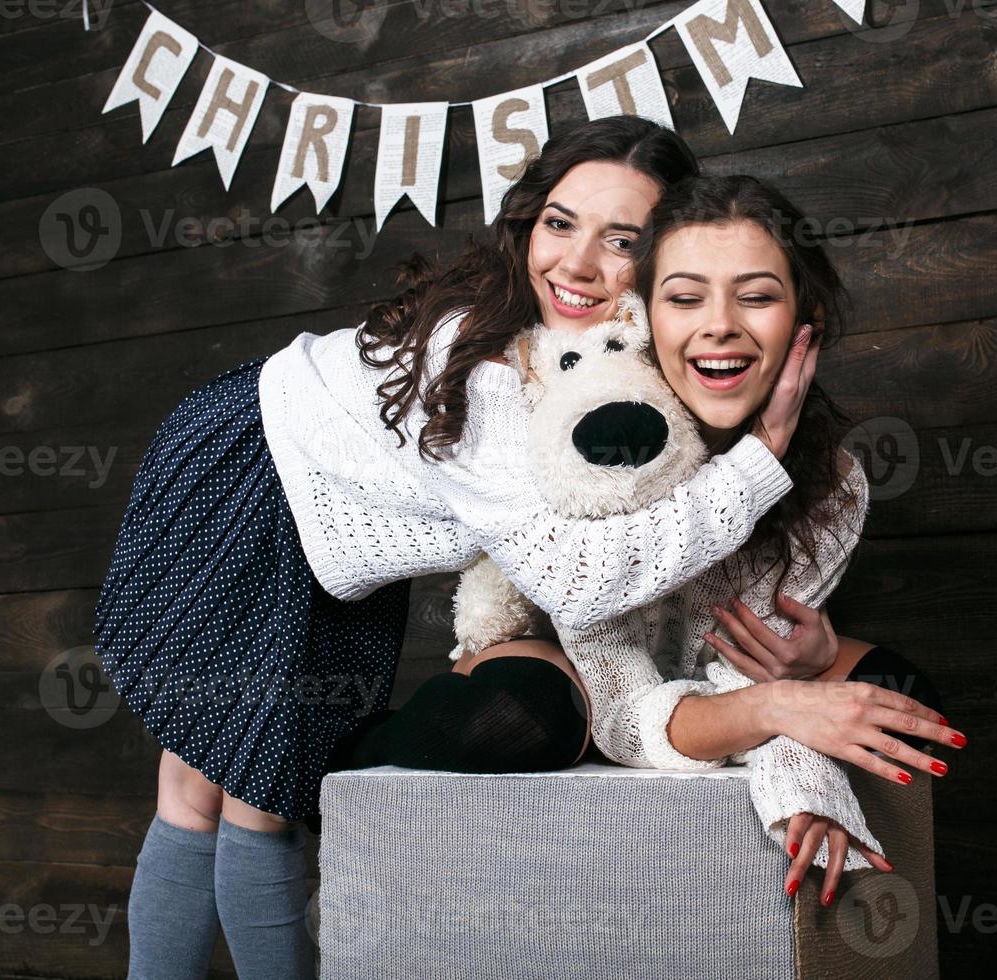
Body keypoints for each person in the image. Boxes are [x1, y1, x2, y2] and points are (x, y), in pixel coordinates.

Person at [92, 116, 824, 980]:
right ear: (529, 224)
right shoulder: (486, 370)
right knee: (215, 794)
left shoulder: (596, 349)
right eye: (559, 223)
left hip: (323, 528)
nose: (577, 264)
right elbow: (575, 581)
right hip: (247, 474)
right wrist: (758, 466)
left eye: (620, 239)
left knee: (257, 798)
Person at [337, 174, 959, 913]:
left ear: (805, 322)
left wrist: (809, 693)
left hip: (708, 673)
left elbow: (752, 681)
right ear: (645, 314)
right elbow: (627, 710)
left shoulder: (834, 483)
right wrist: (787, 714)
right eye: (686, 297)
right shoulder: (607, 440)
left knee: (905, 705)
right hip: (574, 661)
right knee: (520, 720)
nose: (720, 326)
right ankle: (346, 760)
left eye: (756, 297)